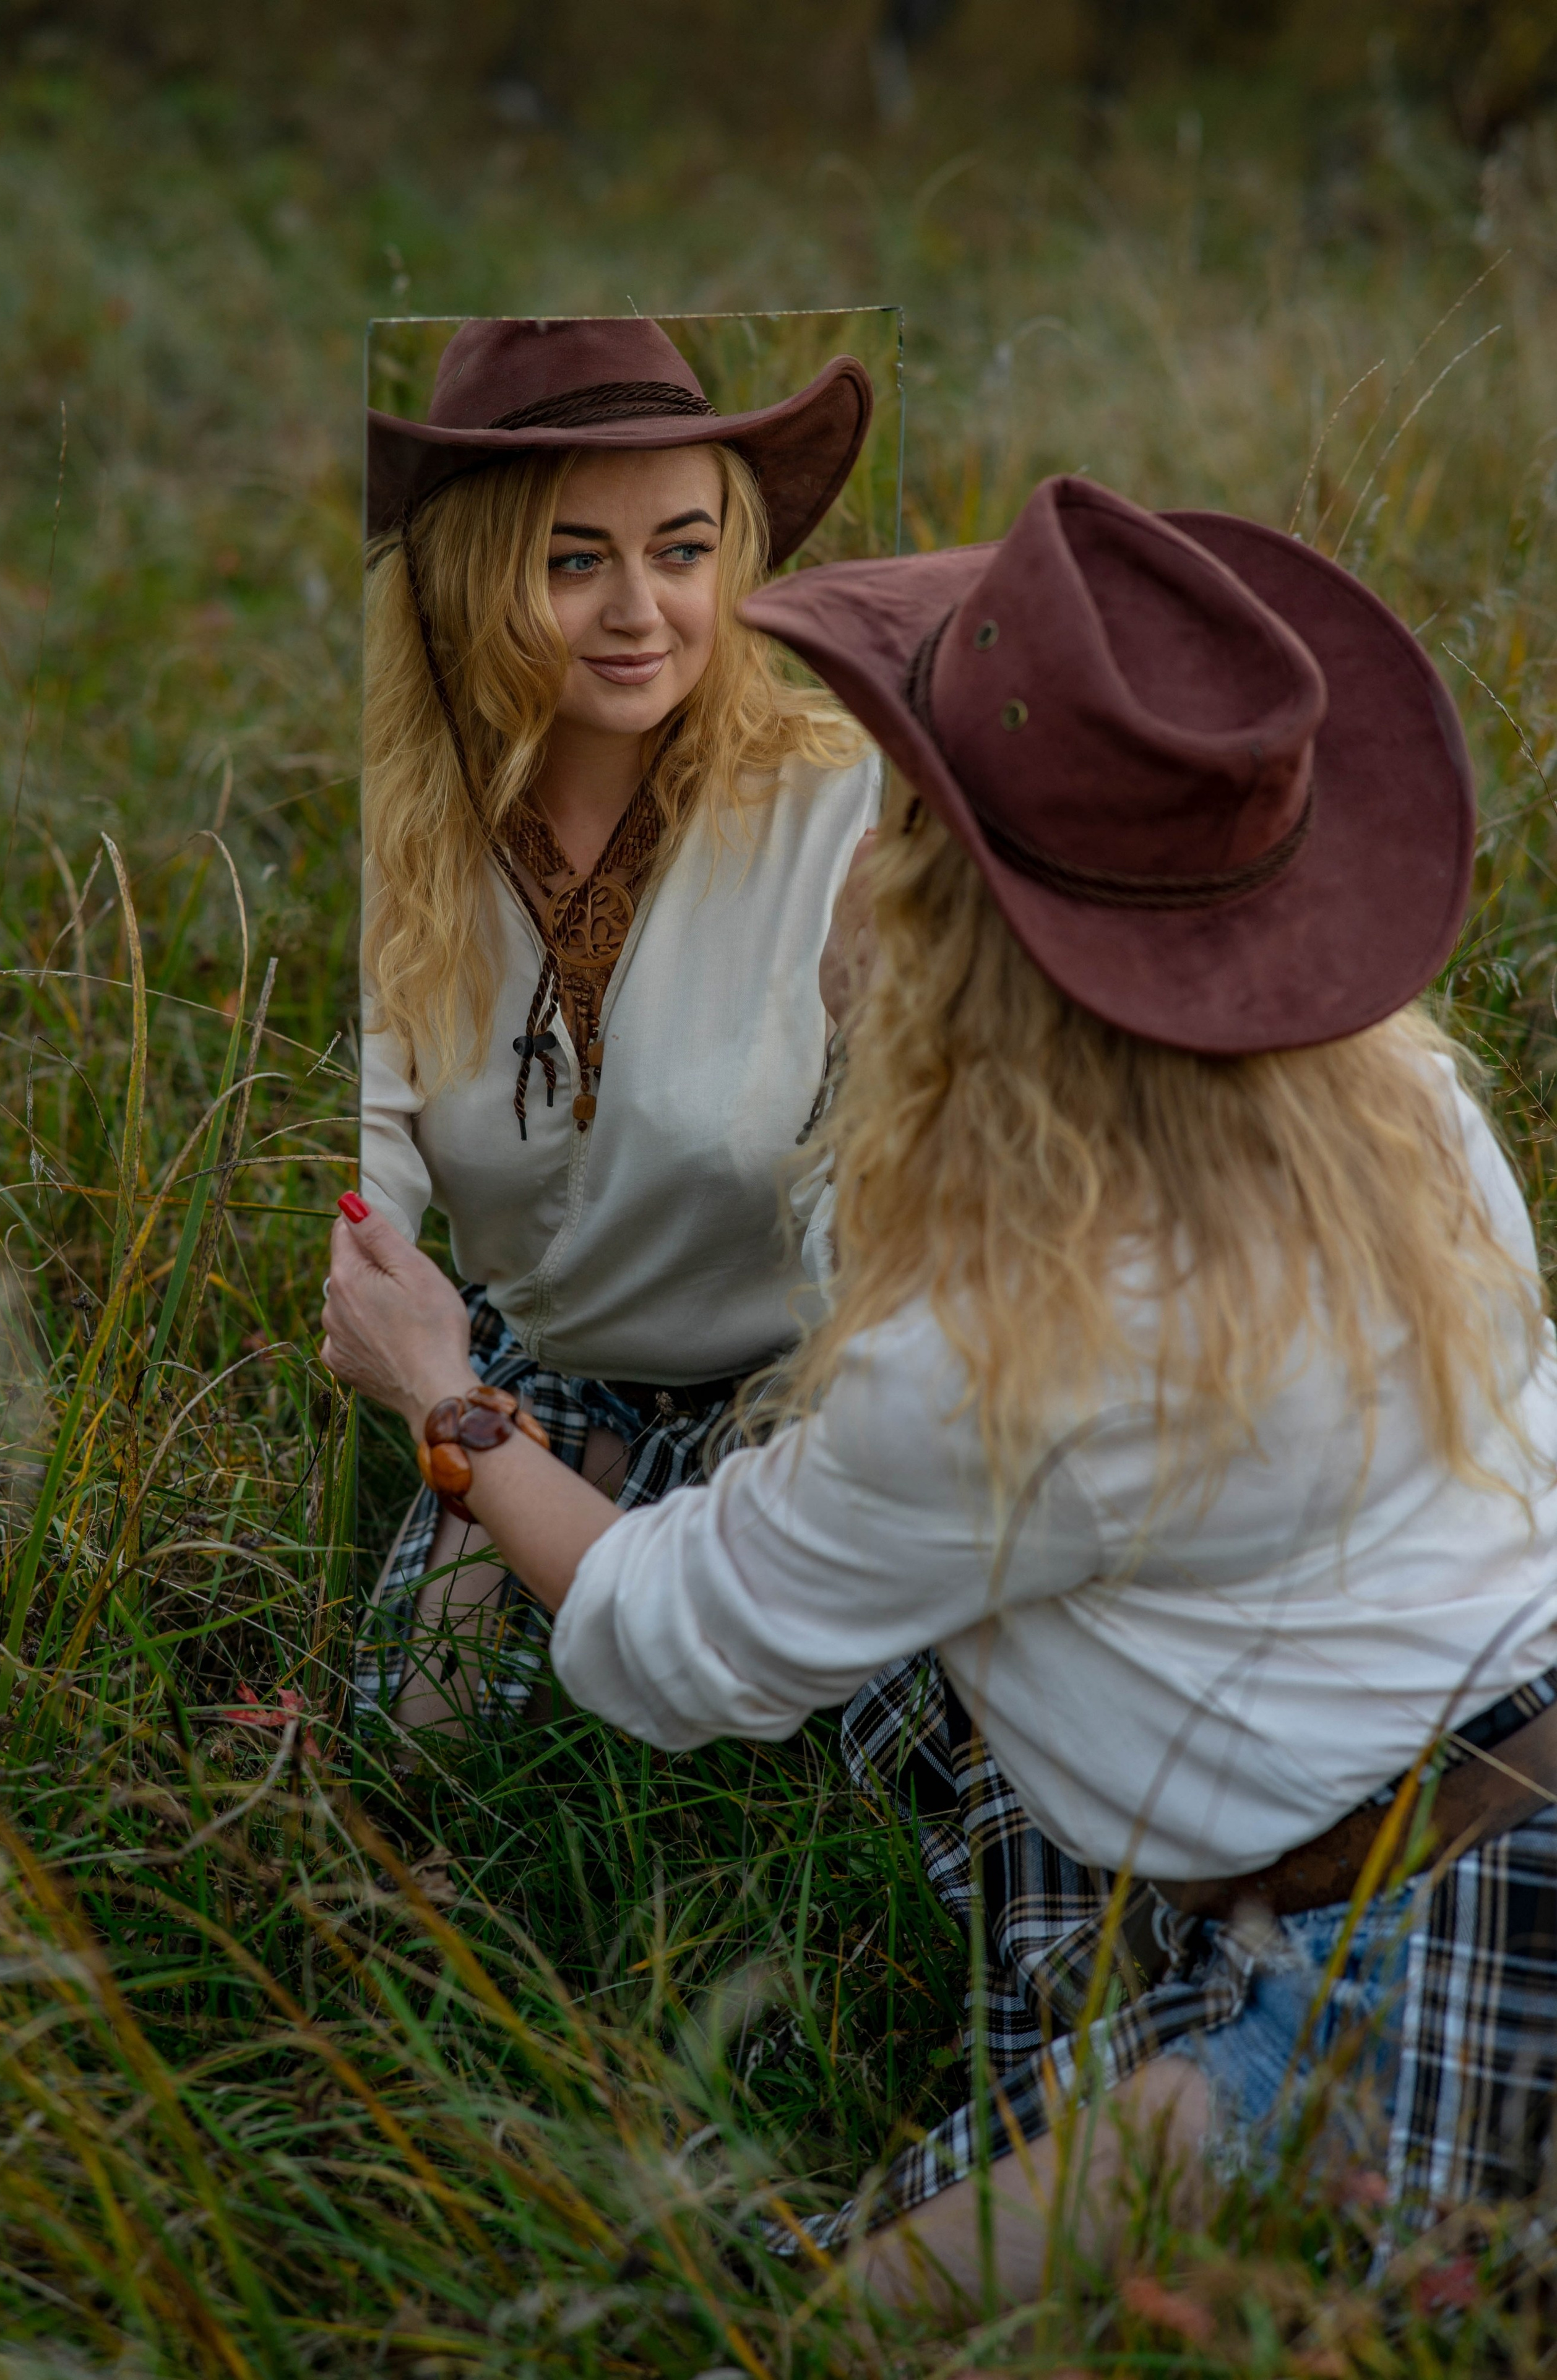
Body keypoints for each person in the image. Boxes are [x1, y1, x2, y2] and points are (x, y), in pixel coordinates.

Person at [326, 471, 1557, 2311]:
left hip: (1395, 1952)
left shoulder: (1002, 1354)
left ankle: (1284, 2122)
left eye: (900, 817)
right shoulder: (1395, 1106)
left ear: (946, 910)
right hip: (1472, 1765)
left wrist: (452, 1400)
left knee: (827, 2327)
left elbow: (677, 1647)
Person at [355, 314, 880, 1733]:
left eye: (683, 548)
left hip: (806, 1396)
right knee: (418, 1740)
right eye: (572, 558)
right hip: (539, 1379)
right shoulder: (404, 843)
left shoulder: (845, 810)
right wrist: (379, 1287)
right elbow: (364, 1160)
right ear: (473, 574)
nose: (641, 608)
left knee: (896, 1756)